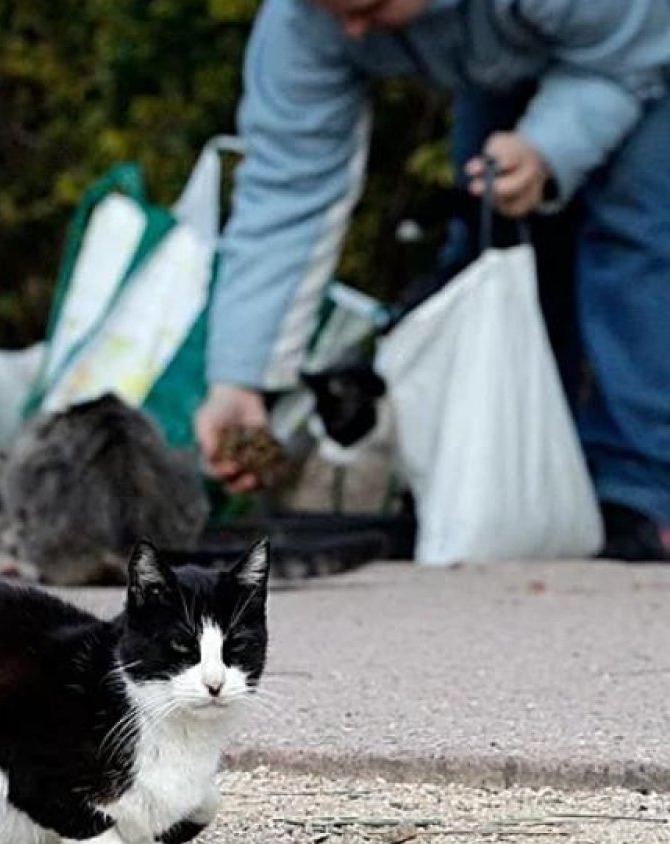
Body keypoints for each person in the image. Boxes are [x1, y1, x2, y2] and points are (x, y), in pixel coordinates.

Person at [194, 0, 670, 560]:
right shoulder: (304, 20)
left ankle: (645, 491)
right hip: (505, 53)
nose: (350, 29)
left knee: (637, 226)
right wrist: (240, 381)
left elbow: (630, 52)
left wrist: (549, 145)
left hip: (639, 38)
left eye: (370, 8)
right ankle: (516, 480)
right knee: (486, 232)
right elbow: (285, 188)